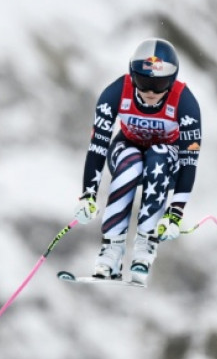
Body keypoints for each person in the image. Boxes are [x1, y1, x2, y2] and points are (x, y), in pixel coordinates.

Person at [72, 38, 202, 285]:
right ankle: (112, 248)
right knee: (131, 160)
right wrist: (88, 194)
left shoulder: (184, 102)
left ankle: (145, 243)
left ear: (172, 81)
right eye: (143, 83)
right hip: (126, 151)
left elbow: (189, 161)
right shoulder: (115, 93)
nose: (151, 92)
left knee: (158, 155)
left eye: (160, 84)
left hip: (167, 163)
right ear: (132, 76)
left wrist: (175, 213)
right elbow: (98, 147)